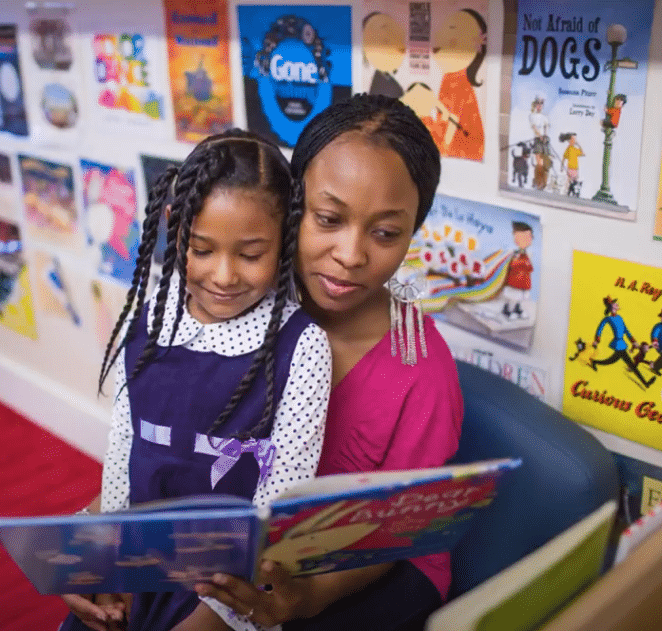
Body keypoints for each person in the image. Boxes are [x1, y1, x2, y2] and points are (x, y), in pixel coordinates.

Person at [191, 94, 464, 631]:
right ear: (292, 206)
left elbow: (398, 528)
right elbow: (165, 442)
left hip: (378, 562)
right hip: (251, 539)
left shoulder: (423, 371)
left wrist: (307, 597)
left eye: (385, 233)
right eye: (329, 219)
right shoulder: (239, 300)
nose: (351, 253)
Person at [60, 130, 333, 631]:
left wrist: (220, 615)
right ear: (176, 229)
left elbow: (280, 507)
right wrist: (106, 562)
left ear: (284, 241)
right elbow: (123, 453)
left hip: (229, 594)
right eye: (201, 249)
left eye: (250, 254)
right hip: (137, 568)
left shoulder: (303, 346)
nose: (224, 275)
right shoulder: (147, 322)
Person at [413, 8, 487, 160]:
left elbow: (451, 125)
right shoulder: (450, 77)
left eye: (451, 29)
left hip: (460, 152)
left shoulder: (458, 83)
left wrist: (442, 149)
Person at [590, 296, 655, 389]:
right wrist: (597, 340)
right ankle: (646, 383)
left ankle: (595, 362)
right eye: (615, 303)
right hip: (617, 344)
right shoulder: (608, 319)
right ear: (611, 307)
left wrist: (633, 341)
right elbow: (600, 328)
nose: (617, 304)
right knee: (631, 365)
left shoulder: (620, 317)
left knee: (611, 361)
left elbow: (626, 330)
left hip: (622, 344)